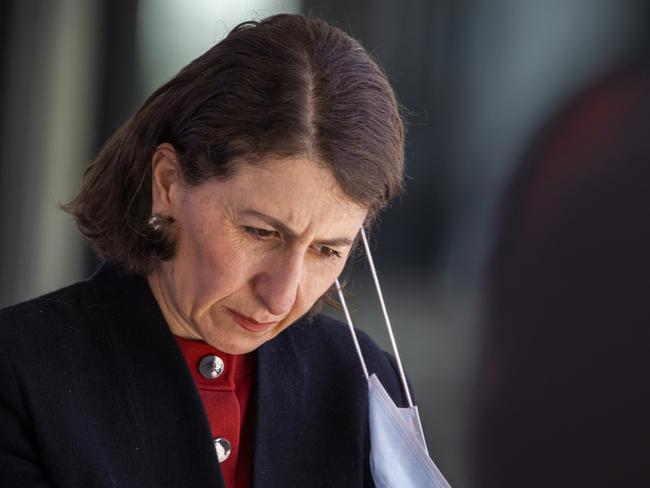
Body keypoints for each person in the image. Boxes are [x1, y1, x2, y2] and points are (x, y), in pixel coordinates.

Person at [0, 14, 410, 488]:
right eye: (260, 232)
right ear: (168, 183)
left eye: (325, 251)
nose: (280, 298)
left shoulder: (364, 385)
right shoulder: (20, 375)